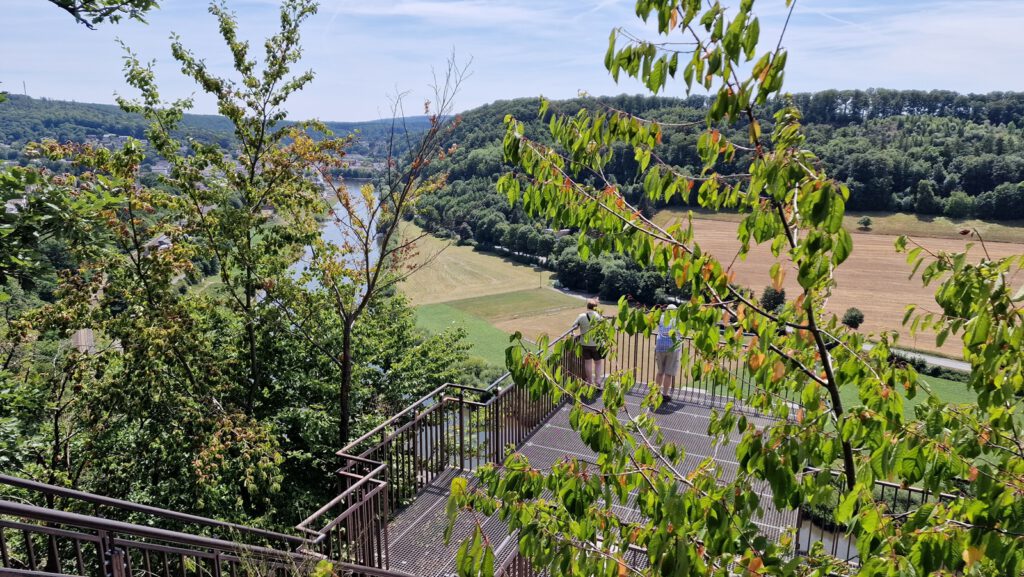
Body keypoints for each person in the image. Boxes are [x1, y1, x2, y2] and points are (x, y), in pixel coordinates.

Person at [573, 298, 605, 385]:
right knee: (598, 363)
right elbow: (605, 328)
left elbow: (574, 326)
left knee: (588, 363)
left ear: (587, 307)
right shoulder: (599, 317)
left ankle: (589, 381)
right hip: (597, 344)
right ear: (596, 307)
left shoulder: (581, 316)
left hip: (585, 344)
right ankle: (598, 381)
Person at [654, 304, 681, 405]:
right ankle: (665, 394)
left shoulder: (661, 318)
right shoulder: (677, 320)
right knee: (668, 373)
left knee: (660, 372)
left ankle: (656, 392)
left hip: (660, 346)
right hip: (672, 348)